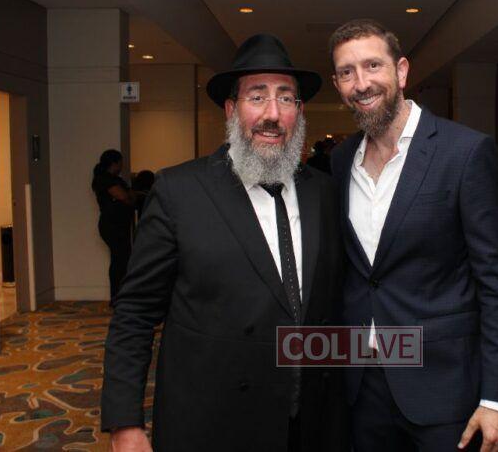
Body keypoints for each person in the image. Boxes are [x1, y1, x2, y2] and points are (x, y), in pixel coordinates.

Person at [101, 34, 348, 452]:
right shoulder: (179, 191)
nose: (273, 114)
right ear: (232, 110)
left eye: (286, 98)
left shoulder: (323, 191)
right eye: (257, 97)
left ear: (299, 112)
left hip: (308, 421)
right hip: (212, 420)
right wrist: (125, 422)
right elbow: (136, 313)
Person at [328, 19, 498, 452]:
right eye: (347, 72)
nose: (361, 83)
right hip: (362, 384)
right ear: (338, 84)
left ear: (401, 71)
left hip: (444, 384)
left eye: (372, 65)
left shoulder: (465, 152)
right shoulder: (341, 161)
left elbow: (497, 281)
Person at [91, 149, 135, 306]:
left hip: (120, 225)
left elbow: (130, 197)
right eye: (120, 162)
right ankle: (117, 296)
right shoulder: (104, 179)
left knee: (123, 259)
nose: (122, 166)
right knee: (119, 260)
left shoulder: (116, 179)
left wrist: (128, 198)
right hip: (112, 225)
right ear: (114, 163)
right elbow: (123, 196)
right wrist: (127, 198)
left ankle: (121, 294)